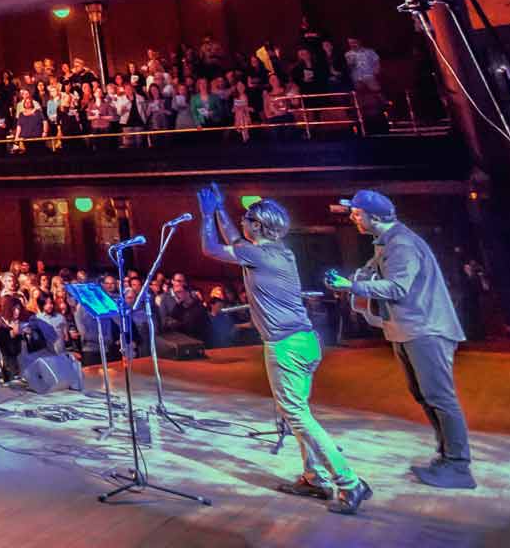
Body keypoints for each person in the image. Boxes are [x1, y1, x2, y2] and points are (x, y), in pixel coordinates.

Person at [198, 186, 369, 515]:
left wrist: (207, 214)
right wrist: (219, 210)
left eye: (246, 219)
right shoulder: (280, 251)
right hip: (305, 341)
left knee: (297, 415)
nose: (241, 222)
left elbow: (212, 247)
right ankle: (314, 478)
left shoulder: (257, 255)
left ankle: (348, 482)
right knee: (299, 412)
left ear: (258, 226)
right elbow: (236, 240)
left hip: (285, 346)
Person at [326, 189, 473, 489]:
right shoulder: (386, 243)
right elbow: (372, 276)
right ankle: (447, 458)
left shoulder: (401, 244)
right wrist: (352, 281)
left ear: (375, 217)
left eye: (357, 214)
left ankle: (459, 467)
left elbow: (397, 288)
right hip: (409, 329)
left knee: (440, 397)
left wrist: (352, 287)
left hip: (426, 329)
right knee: (425, 395)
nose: (353, 218)